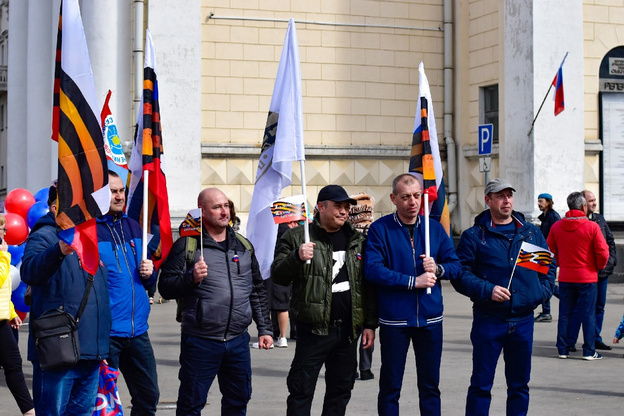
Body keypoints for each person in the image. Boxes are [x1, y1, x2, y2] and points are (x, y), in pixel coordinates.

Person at [158, 187, 272, 415]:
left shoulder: (244, 246)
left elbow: (257, 290)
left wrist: (265, 329)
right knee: (191, 404)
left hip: (238, 340)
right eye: (217, 207)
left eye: (226, 206)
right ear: (202, 211)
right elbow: (165, 287)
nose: (224, 211)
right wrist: (191, 278)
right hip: (201, 341)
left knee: (238, 402)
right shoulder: (188, 245)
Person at [271, 184, 377, 416]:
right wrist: (296, 257)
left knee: (340, 391)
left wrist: (369, 324)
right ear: (321, 207)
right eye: (338, 206)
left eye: (347, 207)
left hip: (348, 331)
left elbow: (367, 286)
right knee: (301, 390)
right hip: (313, 331)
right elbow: (278, 275)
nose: (344, 211)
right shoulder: (298, 236)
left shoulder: (357, 240)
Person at [453, 178, 556, 415]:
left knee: (519, 386)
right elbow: (461, 275)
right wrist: (488, 290)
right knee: (481, 385)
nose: (506, 200)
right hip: (489, 320)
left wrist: (539, 294)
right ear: (488, 200)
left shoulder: (530, 233)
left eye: (509, 195)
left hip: (522, 321)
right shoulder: (474, 236)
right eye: (500, 196)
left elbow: (548, 269)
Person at [364, 174, 461, 415]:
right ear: (393, 198)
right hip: (395, 320)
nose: (413, 202)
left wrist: (439, 269)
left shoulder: (434, 228)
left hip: (430, 320)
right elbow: (373, 270)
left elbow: (456, 266)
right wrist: (412, 282)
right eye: (406, 197)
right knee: (390, 386)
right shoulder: (380, 229)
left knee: (430, 387)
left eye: (417, 196)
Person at [21, 184, 111, 415]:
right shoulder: (44, 235)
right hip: (58, 351)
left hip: (90, 352)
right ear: (54, 208)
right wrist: (58, 251)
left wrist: (102, 348)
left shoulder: (89, 235)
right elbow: (29, 271)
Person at [96, 171, 160, 414]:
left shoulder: (133, 226)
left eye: (121, 190)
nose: (119, 196)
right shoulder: (90, 230)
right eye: (113, 191)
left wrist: (149, 272)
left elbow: (148, 283)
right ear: (101, 195)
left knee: (148, 395)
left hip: (137, 331)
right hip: (106, 333)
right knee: (105, 400)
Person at [548, 191, 609, 360]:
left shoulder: (557, 226)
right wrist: (598, 267)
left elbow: (550, 251)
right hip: (587, 277)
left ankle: (563, 349)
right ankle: (589, 351)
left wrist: (562, 263)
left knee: (565, 314)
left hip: (566, 276)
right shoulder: (592, 226)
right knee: (588, 314)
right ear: (583, 206)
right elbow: (603, 252)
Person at [0, 214, 35, 416]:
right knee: (13, 365)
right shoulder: (2, 253)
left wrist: (12, 312)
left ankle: (29, 410)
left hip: (3, 318)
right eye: (2, 230)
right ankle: (29, 410)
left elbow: (4, 290)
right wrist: (4, 256)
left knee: (13, 364)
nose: (5, 234)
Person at [578, 190, 617, 351]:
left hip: (602, 273)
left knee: (599, 306)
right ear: (583, 203)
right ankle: (575, 340)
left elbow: (610, 242)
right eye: (591, 200)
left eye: (595, 200)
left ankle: (596, 337)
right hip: (587, 274)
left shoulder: (599, 219)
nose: (594, 203)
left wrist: (610, 263)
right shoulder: (579, 221)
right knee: (584, 308)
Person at [534, 192, 561, 322]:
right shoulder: (545, 216)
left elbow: (556, 236)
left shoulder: (553, 216)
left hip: (549, 254)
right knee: (544, 281)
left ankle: (547, 311)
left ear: (549, 202)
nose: (539, 204)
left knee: (545, 281)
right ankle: (546, 311)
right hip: (542, 253)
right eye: (538, 201)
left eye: (541, 201)